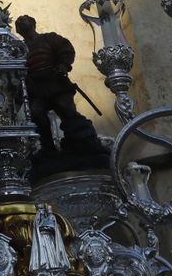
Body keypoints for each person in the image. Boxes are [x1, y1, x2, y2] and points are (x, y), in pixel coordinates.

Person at [15, 15, 106, 164]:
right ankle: (48, 149)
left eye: (24, 19)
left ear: (33, 23)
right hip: (36, 88)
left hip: (55, 82)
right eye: (18, 22)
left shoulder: (49, 38)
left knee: (66, 108)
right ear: (18, 30)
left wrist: (63, 65)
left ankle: (83, 140)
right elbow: (17, 70)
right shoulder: (19, 49)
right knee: (36, 112)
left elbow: (66, 49)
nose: (20, 21)